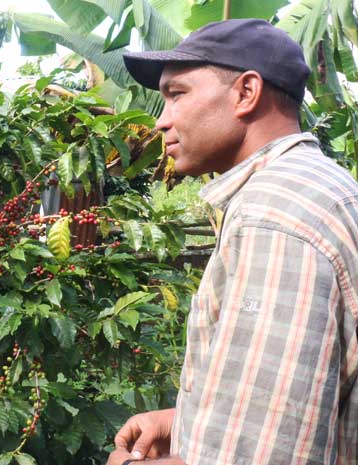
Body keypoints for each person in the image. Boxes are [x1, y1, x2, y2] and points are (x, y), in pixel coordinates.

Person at [108, 19, 358, 465]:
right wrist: (188, 419)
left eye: (177, 94)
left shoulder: (273, 216)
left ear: (246, 92)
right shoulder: (323, 185)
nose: (161, 120)